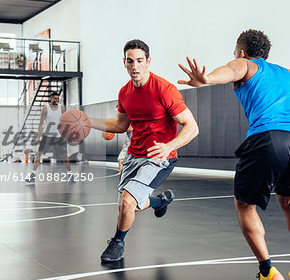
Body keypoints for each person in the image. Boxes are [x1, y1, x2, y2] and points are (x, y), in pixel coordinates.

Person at [178, 29, 290, 280]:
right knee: (289, 199)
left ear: (242, 51)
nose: (235, 56)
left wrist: (208, 79)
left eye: (235, 52)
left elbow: (231, 71)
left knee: (245, 204)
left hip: (268, 137)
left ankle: (268, 272)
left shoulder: (244, 63)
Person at [90, 39, 199, 263]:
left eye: (140, 61)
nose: (135, 66)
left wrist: (169, 146)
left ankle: (117, 243)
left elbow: (192, 127)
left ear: (148, 62)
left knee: (128, 202)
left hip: (159, 157)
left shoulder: (165, 90)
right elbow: (120, 126)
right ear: (124, 63)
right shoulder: (124, 93)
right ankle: (160, 202)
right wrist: (87, 121)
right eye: (130, 62)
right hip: (133, 155)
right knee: (133, 206)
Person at [27, 92, 72, 184]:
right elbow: (41, 123)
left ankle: (70, 174)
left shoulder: (62, 108)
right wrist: (38, 137)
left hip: (59, 136)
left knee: (65, 156)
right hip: (47, 136)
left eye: (58, 98)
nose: (56, 100)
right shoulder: (45, 108)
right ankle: (33, 175)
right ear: (51, 98)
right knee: (39, 154)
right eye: (55, 98)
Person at [115, 104, 133, 173]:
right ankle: (122, 177)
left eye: (117, 112)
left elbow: (131, 128)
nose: (116, 114)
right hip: (129, 144)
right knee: (121, 159)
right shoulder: (123, 121)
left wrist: (117, 128)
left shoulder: (131, 118)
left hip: (137, 144)